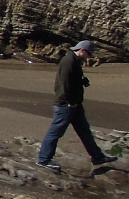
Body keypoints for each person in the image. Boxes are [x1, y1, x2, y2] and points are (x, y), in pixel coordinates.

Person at [36, 40, 116, 170]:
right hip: (66, 105)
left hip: (75, 105)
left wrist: (82, 82)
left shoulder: (74, 61)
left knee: (84, 131)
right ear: (82, 50)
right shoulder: (68, 61)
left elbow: (72, 80)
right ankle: (44, 160)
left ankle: (98, 157)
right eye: (89, 53)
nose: (89, 57)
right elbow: (65, 85)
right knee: (55, 133)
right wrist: (71, 102)